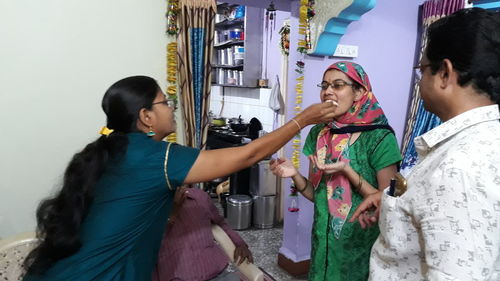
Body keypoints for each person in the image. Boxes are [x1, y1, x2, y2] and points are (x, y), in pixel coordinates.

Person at [22, 75, 337, 281]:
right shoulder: (154, 156)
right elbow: (248, 155)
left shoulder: (115, 150)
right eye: (164, 102)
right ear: (146, 117)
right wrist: (303, 119)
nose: (171, 109)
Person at [350, 7, 500, 280]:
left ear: (444, 73)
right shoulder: (475, 142)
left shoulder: (458, 168)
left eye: (422, 70)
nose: (419, 82)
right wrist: (394, 207)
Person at [270, 61, 401, 281]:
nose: (328, 91)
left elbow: (388, 204)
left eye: (338, 85)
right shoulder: (319, 135)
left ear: (359, 91)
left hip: (358, 250)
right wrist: (294, 174)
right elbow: (318, 195)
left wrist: (347, 170)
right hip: (322, 248)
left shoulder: (380, 138)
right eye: (324, 86)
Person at [152, 187, 252, 281]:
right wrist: (172, 212)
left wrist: (240, 244)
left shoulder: (199, 197)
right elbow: (146, 248)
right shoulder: (148, 209)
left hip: (218, 274)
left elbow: (220, 223)